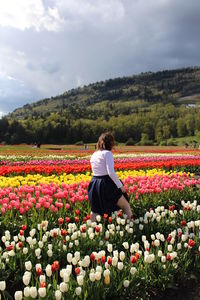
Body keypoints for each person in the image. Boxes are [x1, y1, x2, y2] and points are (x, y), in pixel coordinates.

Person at [88, 132, 133, 222]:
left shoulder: (94, 154)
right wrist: (120, 186)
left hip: (94, 183)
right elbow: (111, 173)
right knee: (125, 205)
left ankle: (89, 230)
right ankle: (132, 226)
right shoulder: (107, 153)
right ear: (111, 143)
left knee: (95, 210)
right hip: (106, 184)